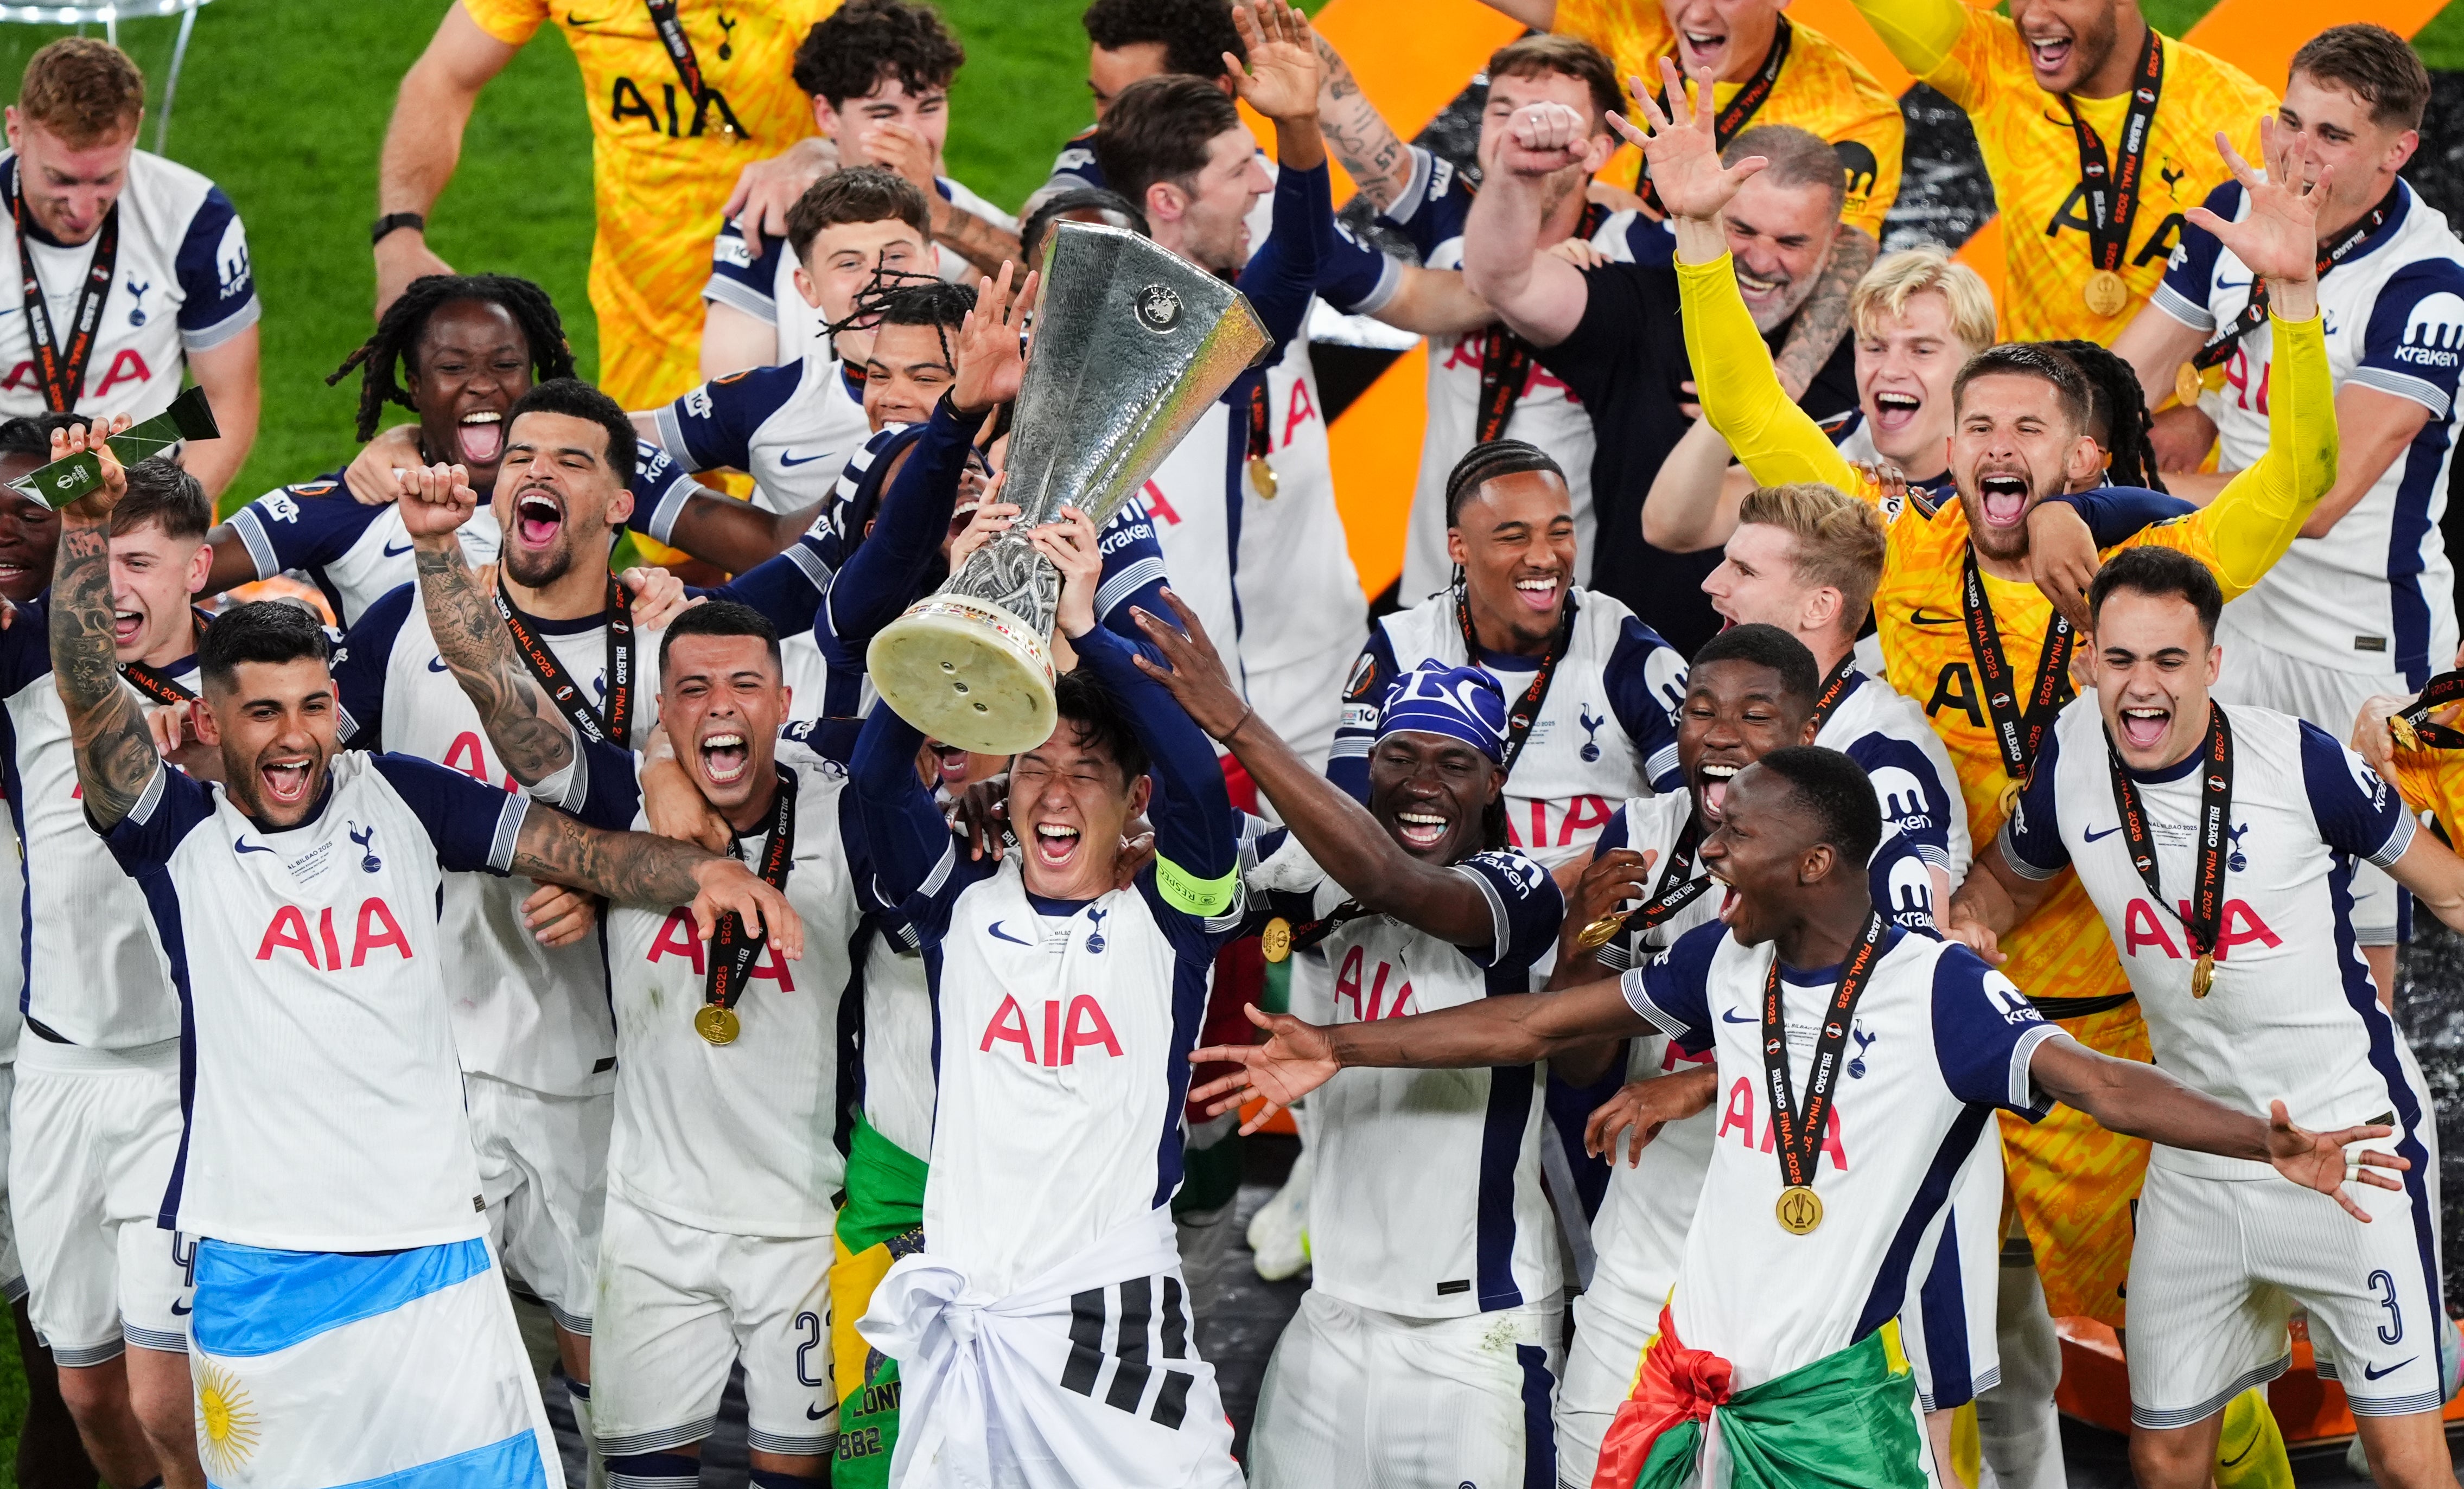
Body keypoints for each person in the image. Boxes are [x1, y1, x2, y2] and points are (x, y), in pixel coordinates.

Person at [1642, 65, 2338, 1488]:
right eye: (1973, 425)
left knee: (2183, 1374)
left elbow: (2293, 479)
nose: (1990, 446)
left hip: (2105, 1017)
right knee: (1932, 1353)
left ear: (2067, 444)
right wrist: (1701, 242)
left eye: (2021, 425)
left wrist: (2291, 300)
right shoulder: (1895, 544)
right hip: (1928, 1016)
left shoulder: (2145, 566)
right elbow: (1755, 418)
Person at [1183, 742, 2400, 1486]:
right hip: (1678, 1388)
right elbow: (1535, 1024)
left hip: (1829, 1417)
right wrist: (1336, 1046)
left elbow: (2102, 1083)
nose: (1708, 851)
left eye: (1734, 834)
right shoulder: (1724, 959)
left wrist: (2261, 1139)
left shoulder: (1939, 991)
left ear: (1815, 863)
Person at [49, 437, 801, 1484]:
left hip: (436, 1258)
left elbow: (577, 849)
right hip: (262, 1266)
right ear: (211, 719)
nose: (295, 738)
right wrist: (84, 533)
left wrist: (700, 876)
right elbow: (92, 697)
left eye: (314, 706)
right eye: (263, 712)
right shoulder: (173, 834)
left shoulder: (399, 795)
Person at [319, 377, 856, 1453]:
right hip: (430, 1055)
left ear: (621, 503)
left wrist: (609, 868)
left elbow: (705, 831)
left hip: (601, 1075)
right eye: (520, 456)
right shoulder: (403, 624)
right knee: (415, 1364)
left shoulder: (674, 656)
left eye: (570, 461)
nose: (536, 472)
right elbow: (324, 787)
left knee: (608, 1383)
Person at [1953, 546, 2464, 1489]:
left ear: (2213, 664)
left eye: (2169, 660)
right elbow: (2006, 883)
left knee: (2404, 1462)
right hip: (2196, 1159)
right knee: (2163, 1457)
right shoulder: (2071, 752)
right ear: (2087, 662)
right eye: (2119, 659)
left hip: (2353, 1148)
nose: (2142, 687)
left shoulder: (2301, 763)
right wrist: (1967, 922)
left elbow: (2453, 894)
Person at [405, 582, 867, 1484]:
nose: (720, 706)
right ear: (663, 710)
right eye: (693, 689)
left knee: (795, 1480)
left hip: (801, 1225)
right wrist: (434, 549)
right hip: (651, 1225)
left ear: (784, 702)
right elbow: (503, 699)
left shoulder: (845, 810)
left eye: (744, 685)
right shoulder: (620, 803)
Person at [848, 521, 1245, 1486]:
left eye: (1086, 771)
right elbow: (874, 779)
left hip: (1118, 1325)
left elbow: (1200, 788)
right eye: (1035, 766)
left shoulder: (1174, 923)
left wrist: (1085, 626)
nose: (1055, 793)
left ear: (1134, 798)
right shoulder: (957, 910)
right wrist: (960, 598)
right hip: (973, 1325)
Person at [1540, 624, 1979, 1484]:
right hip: (1649, 1240)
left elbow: (1890, 1032)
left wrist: (1702, 1081)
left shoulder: (1852, 853)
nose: (1720, 735)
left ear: (1806, 733)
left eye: (1754, 715)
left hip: (1801, 1277)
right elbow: (1575, 1062)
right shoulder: (1640, 835)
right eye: (1700, 710)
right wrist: (1584, 936)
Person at [1159, 628, 1572, 1482]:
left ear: (1494, 782)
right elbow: (1180, 834)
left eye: (1454, 763)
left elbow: (1400, 885)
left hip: (1478, 1332)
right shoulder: (1316, 874)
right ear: (1369, 766)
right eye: (1399, 756)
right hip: (1333, 1317)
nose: (1422, 782)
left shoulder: (1520, 887)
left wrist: (1235, 721)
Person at [2112, 24, 2464, 996]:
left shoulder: (2428, 283)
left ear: (2396, 152)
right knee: (2198, 909)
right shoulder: (2238, 211)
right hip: (2223, 611)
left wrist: (2110, 496)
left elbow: (2313, 501)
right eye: (2289, 121)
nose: (2295, 154)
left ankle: (2369, 1099)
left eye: (2332, 136)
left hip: (2352, 648)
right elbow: (2118, 382)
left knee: (2351, 953)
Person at [1460, 98, 1860, 654]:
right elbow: (1503, 281)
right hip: (1627, 667)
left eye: (1791, 242)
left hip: (1809, 686)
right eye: (1741, 229)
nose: (1760, 260)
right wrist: (1514, 176)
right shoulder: (1641, 306)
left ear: (1834, 240)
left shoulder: (1872, 359)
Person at [0, 446, 210, 1489]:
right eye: (102, 559)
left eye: (142, 561)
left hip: (182, 1078)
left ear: (196, 570)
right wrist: (74, 477)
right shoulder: (25, 680)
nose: (117, 586)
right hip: (55, 1074)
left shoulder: (251, 689)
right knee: (86, 1391)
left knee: (168, 1398)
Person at [1308, 33, 1667, 606]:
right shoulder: (1452, 213)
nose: (1519, 131)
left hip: (1564, 599)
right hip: (1433, 593)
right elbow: (1342, 109)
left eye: (1547, 116)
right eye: (1502, 111)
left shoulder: (1636, 247)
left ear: (1598, 151)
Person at [1090, 1, 1358, 765]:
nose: (1263, 183)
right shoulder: (1163, 339)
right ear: (1167, 202)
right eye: (1240, 170)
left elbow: (1298, 258)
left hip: (1244, 684)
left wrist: (1298, 126)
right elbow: (1298, 260)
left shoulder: (1196, 318)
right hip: (1148, 705)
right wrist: (1297, 130)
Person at [378, 0, 834, 411]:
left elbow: (876, 95)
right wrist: (399, 235)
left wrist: (821, 154)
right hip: (642, 327)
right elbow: (444, 77)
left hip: (796, 313)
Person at [1331, 440, 1685, 874]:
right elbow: (1344, 820)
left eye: (1560, 533)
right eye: (1514, 537)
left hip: (1598, 904)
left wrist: (1553, 893)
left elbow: (1695, 814)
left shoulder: (1624, 648)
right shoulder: (1403, 648)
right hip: (1440, 902)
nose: (1544, 557)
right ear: (1458, 547)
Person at [1847, 0, 2276, 345]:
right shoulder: (1995, 66)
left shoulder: (2243, 123)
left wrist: (2199, 411)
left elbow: (2288, 305)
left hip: (2177, 422)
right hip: (2028, 412)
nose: (2032, 17)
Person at [208, 273, 570, 624]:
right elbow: (185, 569)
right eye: (453, 367)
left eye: (505, 365)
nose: (482, 384)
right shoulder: (359, 503)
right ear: (416, 386)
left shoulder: (583, 489)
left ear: (531, 379)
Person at [0, 39, 259, 497]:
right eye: (60, 179)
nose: (83, 210)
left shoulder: (194, 219)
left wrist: (159, 526)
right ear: (16, 131)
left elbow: (228, 402)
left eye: (106, 179)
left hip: (142, 489)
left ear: (136, 129)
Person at [1648, 247, 1998, 549]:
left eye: (1921, 350)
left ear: (1976, 369)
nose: (1890, 370)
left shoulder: (2012, 469)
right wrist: (1732, 403)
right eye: (1874, 347)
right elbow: (1670, 528)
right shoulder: (1823, 447)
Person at [0, 413, 97, 1489]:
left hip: (47, 1052)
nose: (5, 529)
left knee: (59, 1343)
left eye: (34, 509)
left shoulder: (75, 661)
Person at [1474, 0, 1902, 240]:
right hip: (1612, 272)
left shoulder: (1853, 113)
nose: (1696, 15)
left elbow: (1821, 278)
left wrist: (1658, 229)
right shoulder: (1640, 19)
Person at [779, 0, 1017, 284]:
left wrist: (935, 212)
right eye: (884, 114)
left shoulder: (985, 230)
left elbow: (1051, 284)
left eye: (929, 109)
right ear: (828, 115)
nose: (912, 135)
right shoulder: (773, 218)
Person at [702, 162, 935, 384]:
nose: (877, 278)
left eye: (896, 257)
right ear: (808, 288)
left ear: (932, 265)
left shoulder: (963, 394)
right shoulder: (767, 402)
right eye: (849, 264)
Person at [1028, 0, 1249, 216]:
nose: (1111, 124)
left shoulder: (1263, 173)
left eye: (1139, 103)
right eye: (1101, 97)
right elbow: (1052, 210)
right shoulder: (1093, 157)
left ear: (1217, 92)